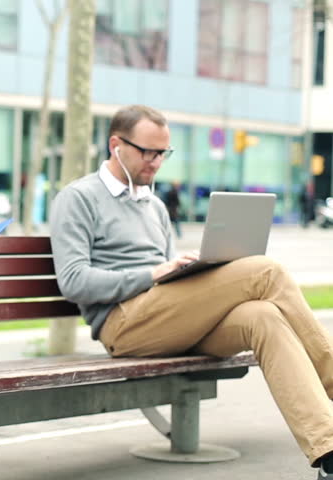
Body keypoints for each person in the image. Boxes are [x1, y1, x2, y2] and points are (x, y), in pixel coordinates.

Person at [49, 104, 333, 479]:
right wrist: (153, 273)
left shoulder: (154, 205)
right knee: (266, 271)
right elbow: (73, 280)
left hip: (171, 320)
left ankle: (327, 451)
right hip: (124, 324)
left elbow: (167, 277)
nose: (156, 162)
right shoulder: (78, 198)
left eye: (163, 153)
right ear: (115, 145)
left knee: (263, 316)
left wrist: (189, 270)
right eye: (147, 152)